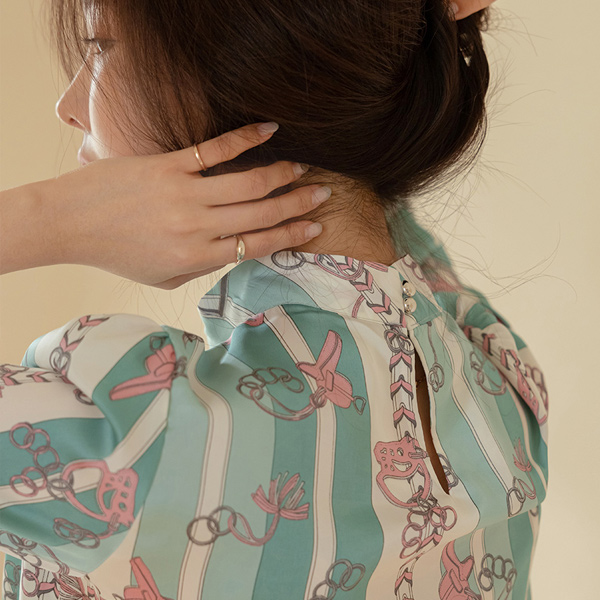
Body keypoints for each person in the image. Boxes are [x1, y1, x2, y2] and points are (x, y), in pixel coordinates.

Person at [0, 0, 548, 599]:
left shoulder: (137, 442)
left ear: (239, 67)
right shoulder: (496, 366)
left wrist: (47, 218)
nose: (67, 105)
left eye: (100, 46)